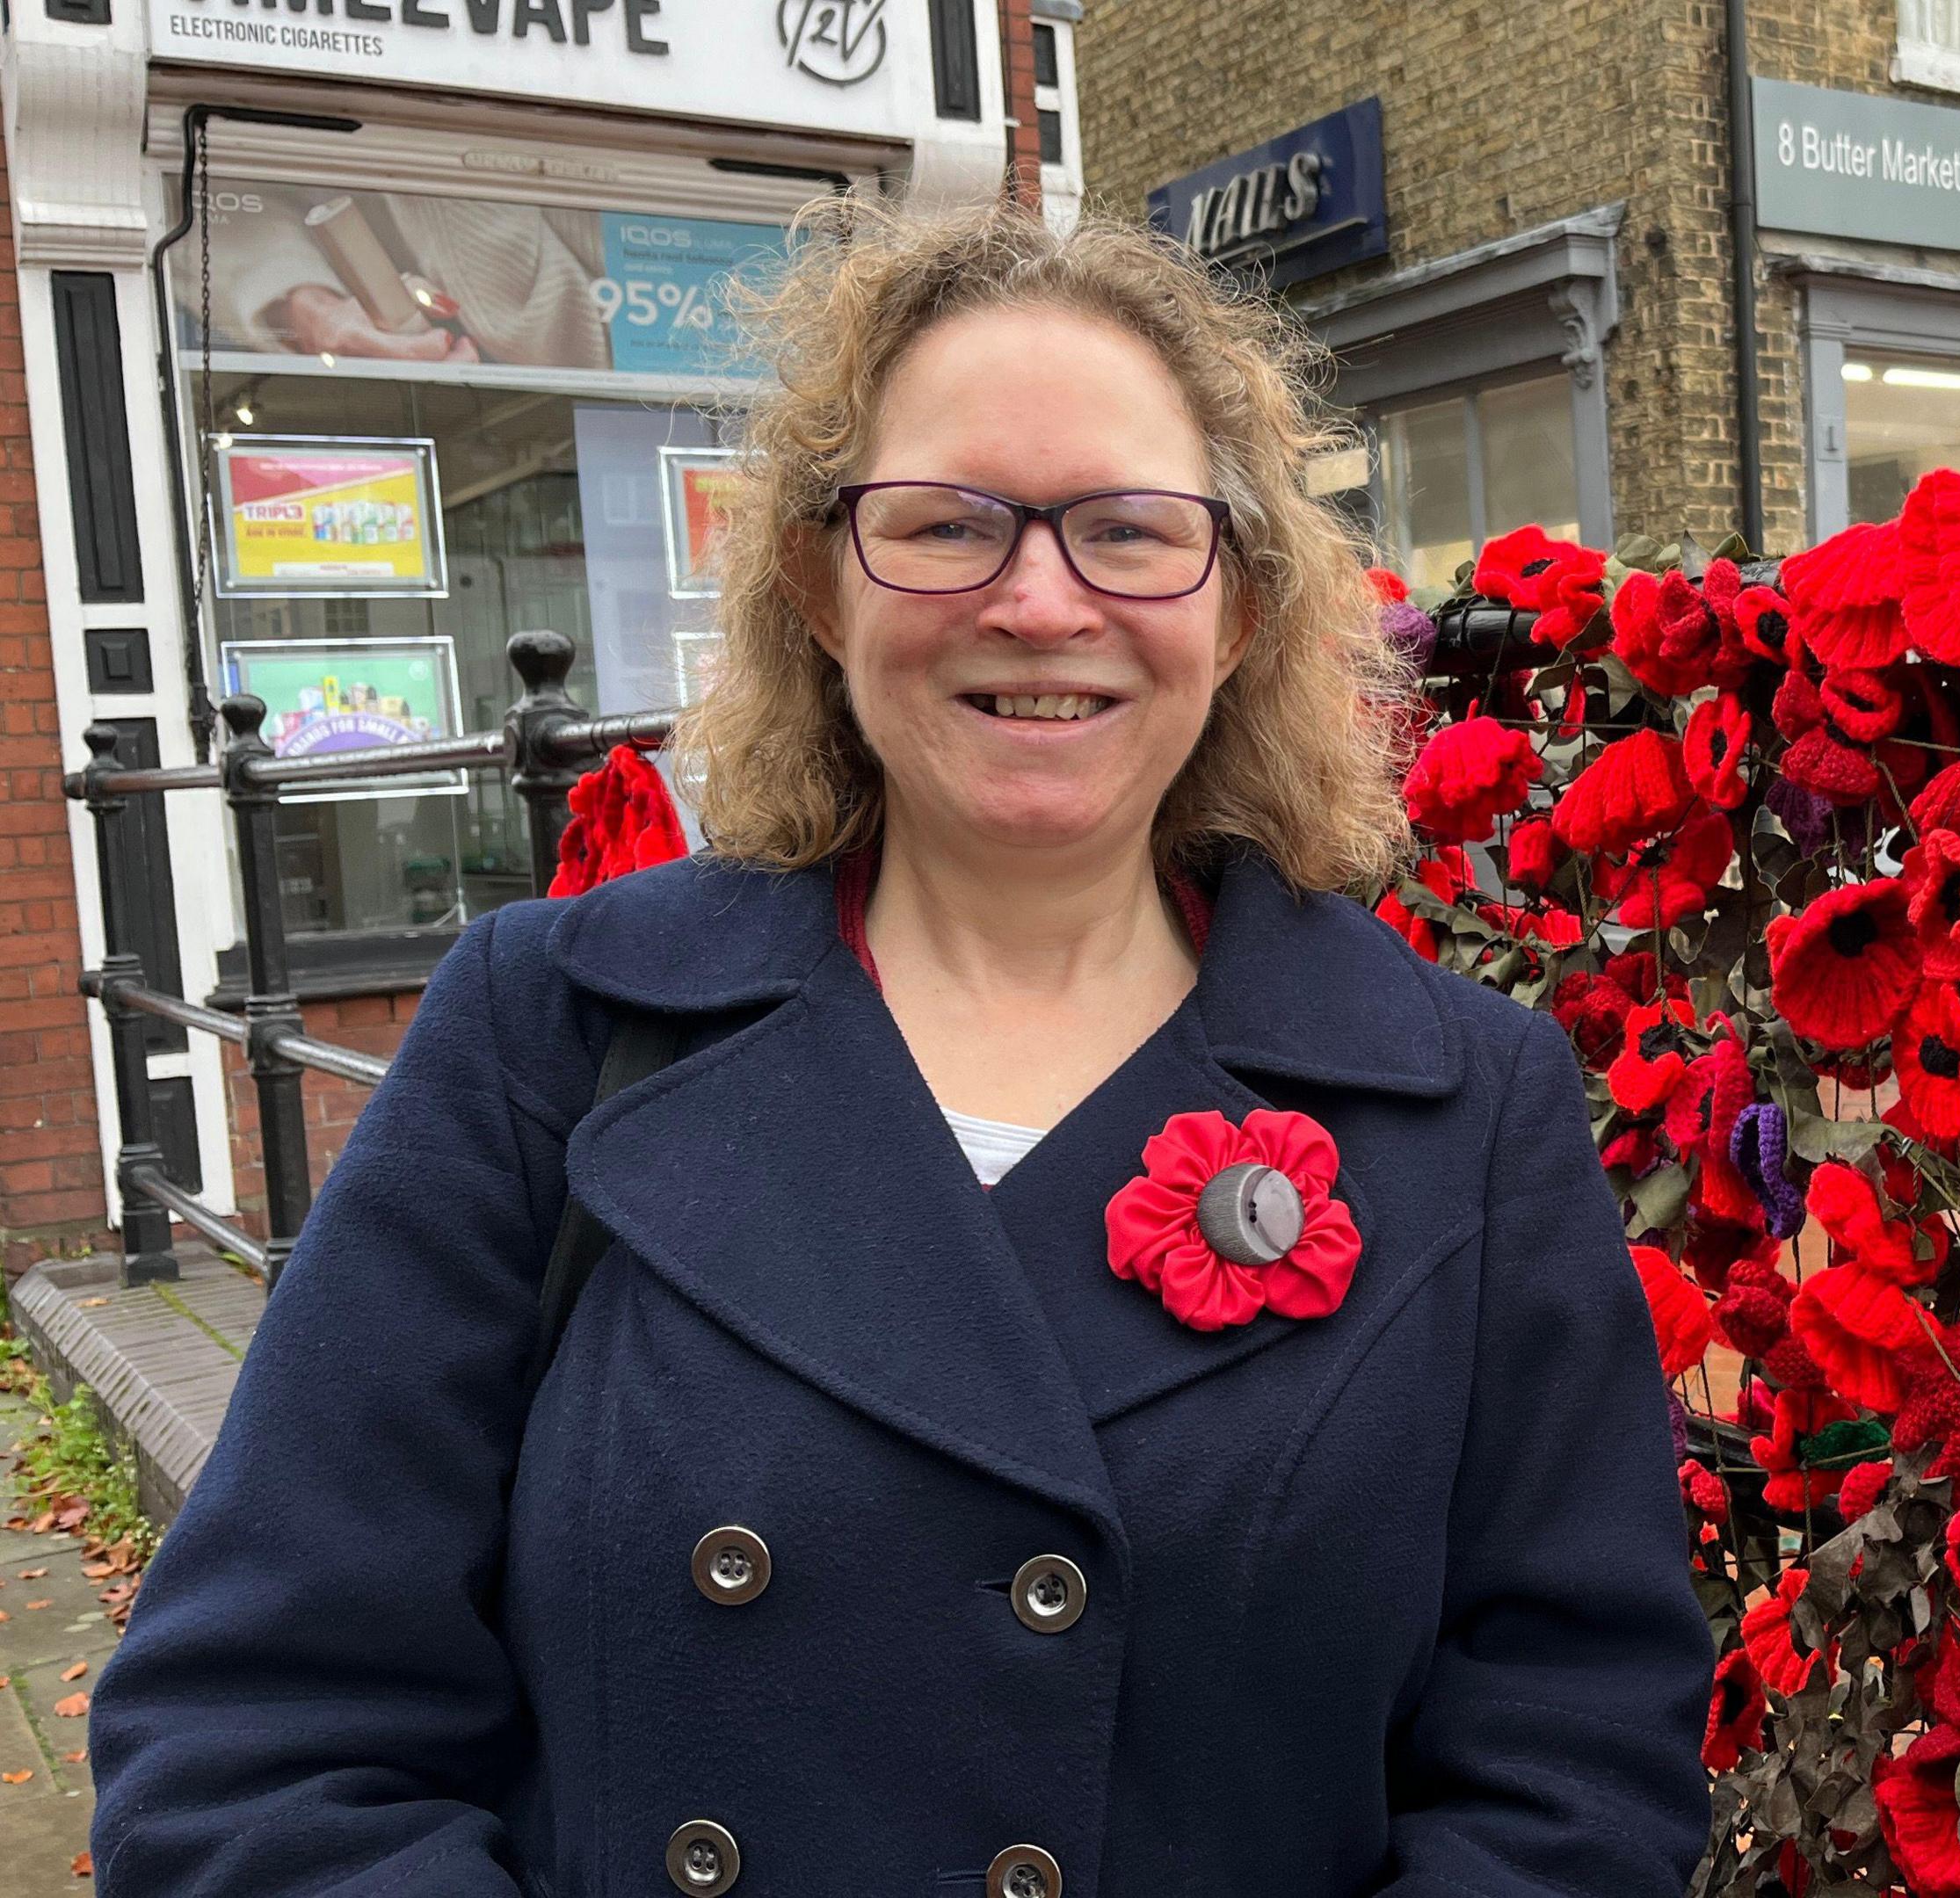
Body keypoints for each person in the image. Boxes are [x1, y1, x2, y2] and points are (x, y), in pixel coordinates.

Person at [87, 199, 1713, 1897]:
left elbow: (1571, 1765)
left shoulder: (1464, 1107)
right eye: (943, 526)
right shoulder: (553, 1033)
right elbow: (259, 1737)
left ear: (1234, 607)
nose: (1035, 600)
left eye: (1131, 532)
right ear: (818, 584)